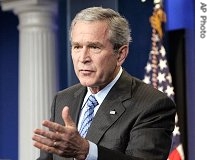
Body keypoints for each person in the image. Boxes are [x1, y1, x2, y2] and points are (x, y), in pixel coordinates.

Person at [32, 6, 176, 160]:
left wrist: (87, 151)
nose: (83, 58)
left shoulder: (152, 104)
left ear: (120, 54)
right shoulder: (63, 99)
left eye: (94, 47)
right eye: (77, 47)